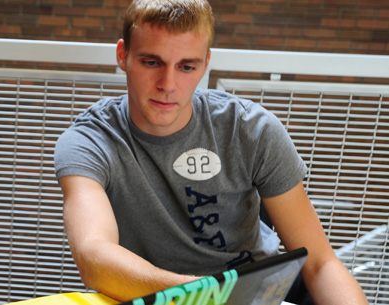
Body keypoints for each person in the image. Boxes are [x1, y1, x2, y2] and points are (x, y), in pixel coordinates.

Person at [54, 0, 368, 304]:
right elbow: (94, 255)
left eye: (186, 66)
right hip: (157, 295)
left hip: (257, 290)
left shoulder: (251, 129)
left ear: (205, 63)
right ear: (123, 56)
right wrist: (210, 297)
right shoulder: (88, 141)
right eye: (152, 62)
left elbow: (319, 263)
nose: (168, 83)